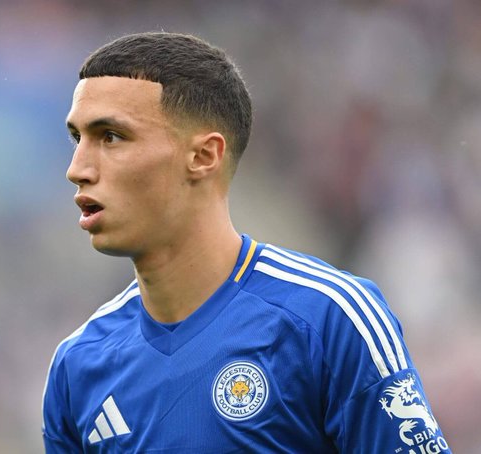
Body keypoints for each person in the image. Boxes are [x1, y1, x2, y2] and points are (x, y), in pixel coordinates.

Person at [42, 32, 450, 453]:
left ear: (204, 156)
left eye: (110, 136)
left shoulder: (329, 319)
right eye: (77, 138)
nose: (77, 169)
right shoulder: (78, 366)